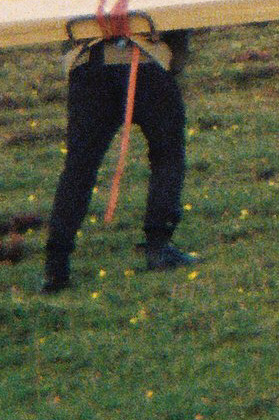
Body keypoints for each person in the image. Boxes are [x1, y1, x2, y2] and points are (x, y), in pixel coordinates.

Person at [42, 20, 190, 288]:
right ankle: (158, 247)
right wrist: (170, 66)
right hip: (146, 65)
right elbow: (185, 22)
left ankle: (56, 266)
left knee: (79, 167)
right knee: (167, 153)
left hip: (89, 69)